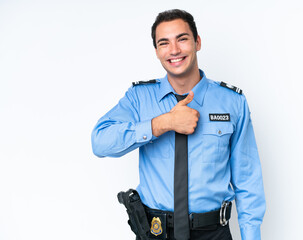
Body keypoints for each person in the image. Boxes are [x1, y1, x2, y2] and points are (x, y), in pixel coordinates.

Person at [91, 9, 266, 240]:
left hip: (213, 233)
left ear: (197, 42)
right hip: (155, 233)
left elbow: (248, 180)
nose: (174, 50)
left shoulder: (232, 102)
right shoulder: (139, 98)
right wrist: (162, 123)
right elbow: (100, 142)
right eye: (164, 43)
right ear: (156, 51)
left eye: (182, 39)